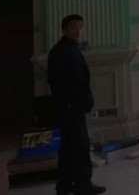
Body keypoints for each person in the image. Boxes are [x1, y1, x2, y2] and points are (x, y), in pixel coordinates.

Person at [47, 15, 106, 195]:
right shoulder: (61, 52)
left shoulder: (70, 49)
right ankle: (82, 184)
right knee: (79, 147)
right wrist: (71, 104)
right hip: (70, 108)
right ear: (65, 29)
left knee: (70, 148)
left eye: (81, 27)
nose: (79, 31)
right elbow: (60, 82)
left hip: (73, 107)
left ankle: (65, 186)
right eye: (74, 27)